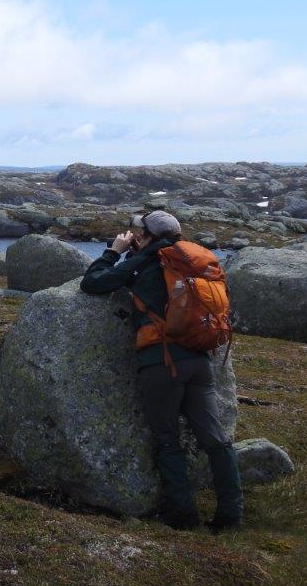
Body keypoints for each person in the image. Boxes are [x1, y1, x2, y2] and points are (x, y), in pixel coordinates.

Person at [79, 210, 243, 532]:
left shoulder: (146, 264)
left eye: (137, 233)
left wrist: (114, 251)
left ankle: (183, 517)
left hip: (161, 363)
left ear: (143, 238)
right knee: (217, 441)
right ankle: (231, 517)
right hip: (199, 361)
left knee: (168, 441)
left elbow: (93, 283)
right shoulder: (191, 260)